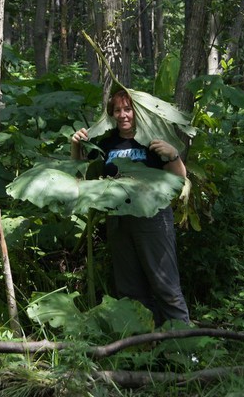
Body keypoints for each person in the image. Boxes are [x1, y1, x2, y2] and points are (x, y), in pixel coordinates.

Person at [71, 89, 190, 325]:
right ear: (111, 115)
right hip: (118, 218)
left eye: (128, 109)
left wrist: (174, 155)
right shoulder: (107, 143)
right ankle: (144, 345)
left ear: (138, 112)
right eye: (118, 110)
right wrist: (76, 146)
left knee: (165, 285)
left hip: (152, 218)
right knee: (129, 288)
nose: (123, 115)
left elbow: (179, 180)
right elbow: (80, 177)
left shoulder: (152, 139)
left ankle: (185, 349)